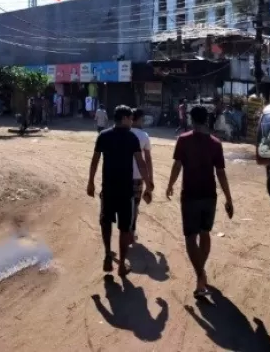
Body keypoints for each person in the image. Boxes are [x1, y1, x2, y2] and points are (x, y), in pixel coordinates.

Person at [166, 105, 234, 298]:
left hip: (190, 195)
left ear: (191, 119)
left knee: (190, 238)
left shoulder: (183, 140)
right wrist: (229, 198)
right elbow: (220, 173)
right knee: (205, 233)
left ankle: (200, 275)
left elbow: (177, 165)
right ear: (207, 119)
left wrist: (170, 184)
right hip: (209, 196)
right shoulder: (215, 143)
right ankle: (201, 276)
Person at [87, 105, 155, 276]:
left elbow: (95, 161)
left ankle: (107, 254)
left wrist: (90, 182)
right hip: (126, 190)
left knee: (106, 222)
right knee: (125, 228)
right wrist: (148, 184)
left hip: (108, 188)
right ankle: (122, 266)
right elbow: (141, 162)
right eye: (130, 118)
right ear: (124, 118)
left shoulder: (103, 135)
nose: (132, 121)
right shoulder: (131, 137)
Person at [130, 108, 153, 242]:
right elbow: (148, 160)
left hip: (121, 176)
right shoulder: (144, 136)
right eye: (143, 119)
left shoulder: (123, 133)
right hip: (138, 177)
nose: (143, 121)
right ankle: (132, 231)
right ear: (137, 119)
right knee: (135, 205)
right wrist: (150, 180)